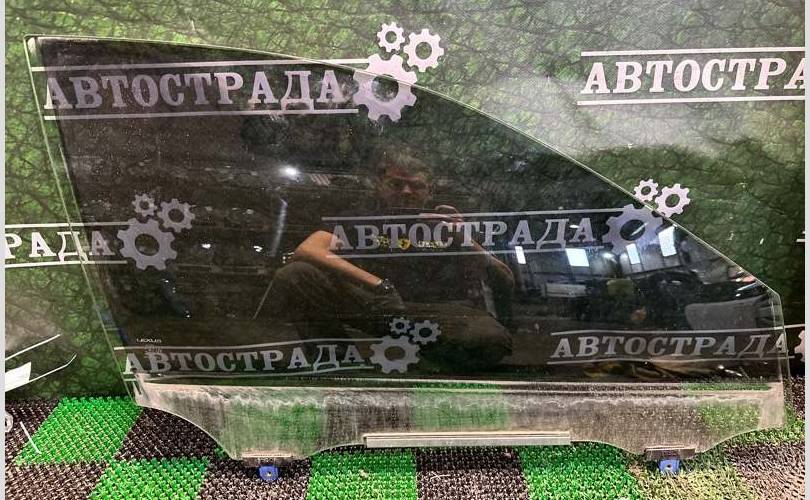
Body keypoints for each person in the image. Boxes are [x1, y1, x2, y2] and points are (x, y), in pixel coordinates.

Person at [262, 144, 514, 372]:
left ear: (430, 191)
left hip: (439, 312)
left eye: (416, 186)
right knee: (296, 274)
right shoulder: (360, 218)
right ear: (380, 185)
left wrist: (465, 239)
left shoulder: (447, 224)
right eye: (396, 184)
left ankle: (430, 363)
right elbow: (308, 249)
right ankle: (338, 363)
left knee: (492, 340)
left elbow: (504, 279)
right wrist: (378, 285)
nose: (406, 191)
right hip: (375, 305)